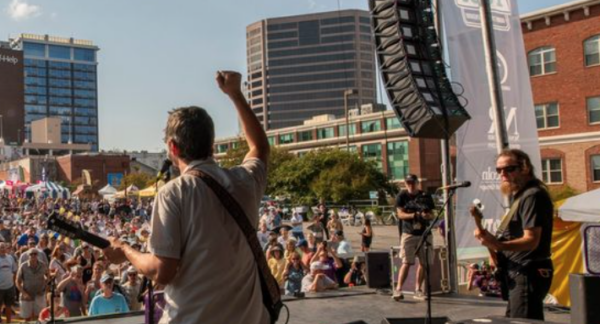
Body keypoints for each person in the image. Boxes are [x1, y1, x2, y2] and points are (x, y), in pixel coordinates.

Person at [103, 71, 271, 324]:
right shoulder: (244, 181)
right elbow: (259, 146)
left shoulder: (174, 192)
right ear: (212, 144)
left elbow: (162, 271)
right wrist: (235, 94)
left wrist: (125, 250)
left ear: (173, 147)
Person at [471, 149, 553, 320]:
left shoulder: (533, 195)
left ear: (525, 168)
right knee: (516, 319)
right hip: (518, 271)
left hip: (528, 270)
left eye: (509, 169)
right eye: (499, 170)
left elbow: (532, 240)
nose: (503, 174)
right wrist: (493, 245)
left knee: (522, 321)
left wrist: (499, 245)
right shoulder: (522, 196)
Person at [392, 174, 435, 301]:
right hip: (409, 233)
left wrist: (427, 216)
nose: (410, 185)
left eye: (412, 182)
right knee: (406, 262)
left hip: (424, 233)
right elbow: (400, 214)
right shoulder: (402, 196)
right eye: (408, 183)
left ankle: (418, 289)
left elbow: (432, 214)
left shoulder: (425, 196)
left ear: (417, 183)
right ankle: (398, 289)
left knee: (424, 262)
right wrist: (415, 215)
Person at [16, 249, 48, 321]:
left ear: (38, 255)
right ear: (28, 256)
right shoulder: (23, 266)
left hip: (39, 295)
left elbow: (47, 276)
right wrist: (24, 294)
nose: (33, 255)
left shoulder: (43, 265)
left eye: (35, 254)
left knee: (40, 317)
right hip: (27, 296)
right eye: (31, 254)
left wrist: (44, 287)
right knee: (27, 318)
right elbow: (17, 282)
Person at [0, 243, 17, 324]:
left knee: (8, 307)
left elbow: (14, 271)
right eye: (0, 248)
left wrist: (13, 284)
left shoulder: (10, 258)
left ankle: (8, 322)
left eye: (3, 247)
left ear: (6, 248)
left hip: (9, 287)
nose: (2, 249)